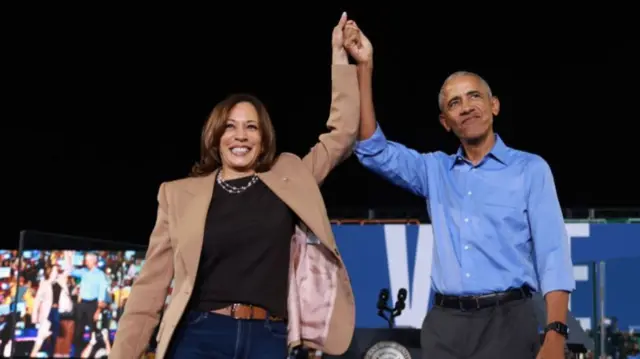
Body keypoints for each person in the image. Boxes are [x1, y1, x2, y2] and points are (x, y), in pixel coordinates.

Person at [111, 13, 361, 359]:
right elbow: (150, 287)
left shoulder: (290, 176)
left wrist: (340, 57)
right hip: (199, 335)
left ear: (263, 138)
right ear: (216, 138)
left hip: (270, 338)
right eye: (230, 127)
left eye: (251, 127)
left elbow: (343, 133)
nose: (240, 135)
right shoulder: (178, 194)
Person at [344, 21, 575, 359]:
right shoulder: (434, 170)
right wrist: (365, 66)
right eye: (454, 103)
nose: (466, 107)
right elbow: (371, 149)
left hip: (508, 321)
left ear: (494, 105)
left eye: (474, 97)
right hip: (445, 325)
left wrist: (556, 333)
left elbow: (553, 253)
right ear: (445, 122)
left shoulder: (530, 170)